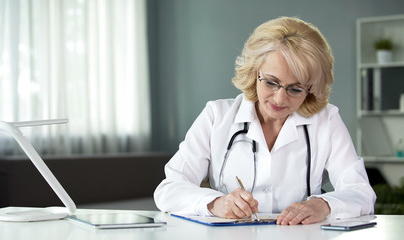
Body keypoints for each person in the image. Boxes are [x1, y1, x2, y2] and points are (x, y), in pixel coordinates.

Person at [153, 16, 376, 225]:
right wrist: (214, 203)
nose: (280, 98)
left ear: (311, 89)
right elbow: (169, 189)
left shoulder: (326, 120)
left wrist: (324, 205)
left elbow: (362, 193)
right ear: (254, 71)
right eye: (271, 82)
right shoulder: (216, 116)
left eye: (296, 88)